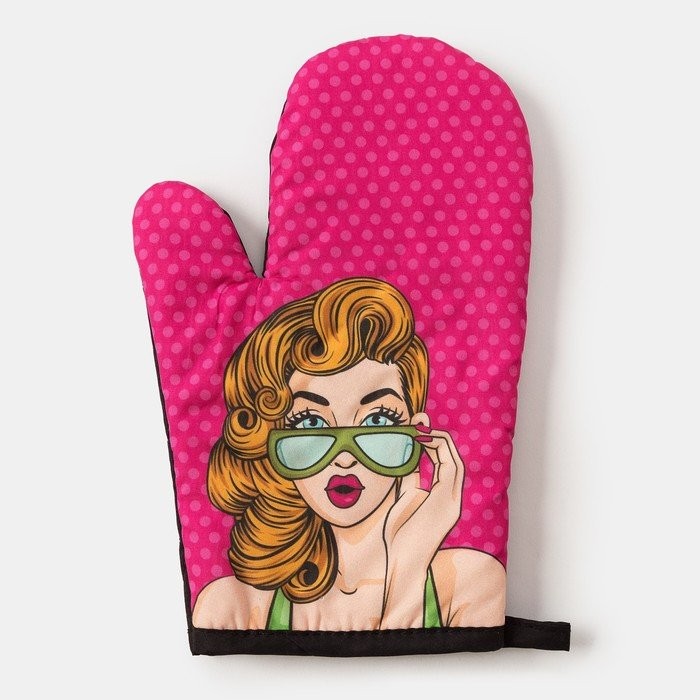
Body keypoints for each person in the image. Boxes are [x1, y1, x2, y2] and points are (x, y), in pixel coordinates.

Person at [192, 277, 505, 631]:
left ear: (417, 432)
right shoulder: (230, 603)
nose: (345, 459)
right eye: (309, 422)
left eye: (378, 419)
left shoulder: (471, 582)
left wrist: (409, 559)